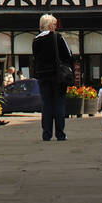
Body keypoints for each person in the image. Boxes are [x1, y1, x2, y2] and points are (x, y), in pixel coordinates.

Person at [31, 13, 73, 142]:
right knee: (59, 103)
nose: (55, 26)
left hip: (43, 76)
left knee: (47, 104)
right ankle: (60, 133)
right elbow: (68, 54)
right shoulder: (57, 37)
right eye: (54, 24)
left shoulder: (36, 40)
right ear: (49, 25)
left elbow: (35, 58)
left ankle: (46, 133)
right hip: (57, 75)